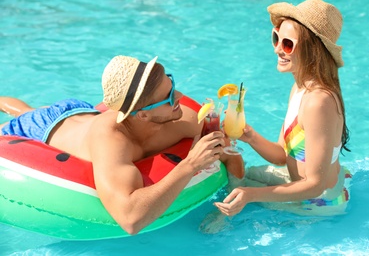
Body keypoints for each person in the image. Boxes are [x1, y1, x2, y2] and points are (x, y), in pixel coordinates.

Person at [0, 55, 244, 234]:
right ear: (143, 114)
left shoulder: (184, 121)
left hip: (82, 111)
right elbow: (130, 220)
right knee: (24, 113)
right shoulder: (111, 140)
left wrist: (228, 160)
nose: (179, 97)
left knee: (28, 108)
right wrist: (189, 165)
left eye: (172, 85)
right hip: (46, 126)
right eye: (169, 97)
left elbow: (232, 159)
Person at [214, 0, 350, 216]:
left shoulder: (318, 102)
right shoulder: (300, 88)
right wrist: (250, 136)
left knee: (235, 193)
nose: (278, 49)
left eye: (288, 44)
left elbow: (314, 184)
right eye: (276, 38)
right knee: (238, 178)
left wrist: (251, 195)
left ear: (312, 50)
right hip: (303, 185)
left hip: (318, 202)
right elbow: (282, 156)